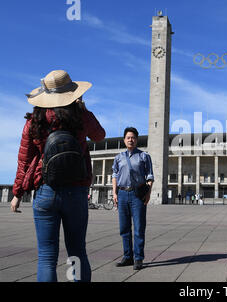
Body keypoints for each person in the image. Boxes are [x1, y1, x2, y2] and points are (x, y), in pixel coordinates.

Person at [10, 70, 105, 282]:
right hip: (76, 189)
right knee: (77, 252)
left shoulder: (34, 120)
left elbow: (24, 160)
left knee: (46, 256)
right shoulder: (80, 116)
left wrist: (17, 193)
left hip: (45, 190)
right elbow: (100, 135)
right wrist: (83, 108)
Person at [112, 127, 154, 270]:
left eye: (133, 137)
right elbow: (115, 175)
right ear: (124, 140)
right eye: (128, 137)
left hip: (138, 195)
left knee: (138, 227)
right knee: (124, 228)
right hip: (122, 193)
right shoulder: (118, 157)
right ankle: (127, 256)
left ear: (137, 139)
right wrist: (114, 193)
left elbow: (149, 176)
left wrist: (148, 193)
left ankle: (138, 258)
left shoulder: (144, 156)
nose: (131, 139)